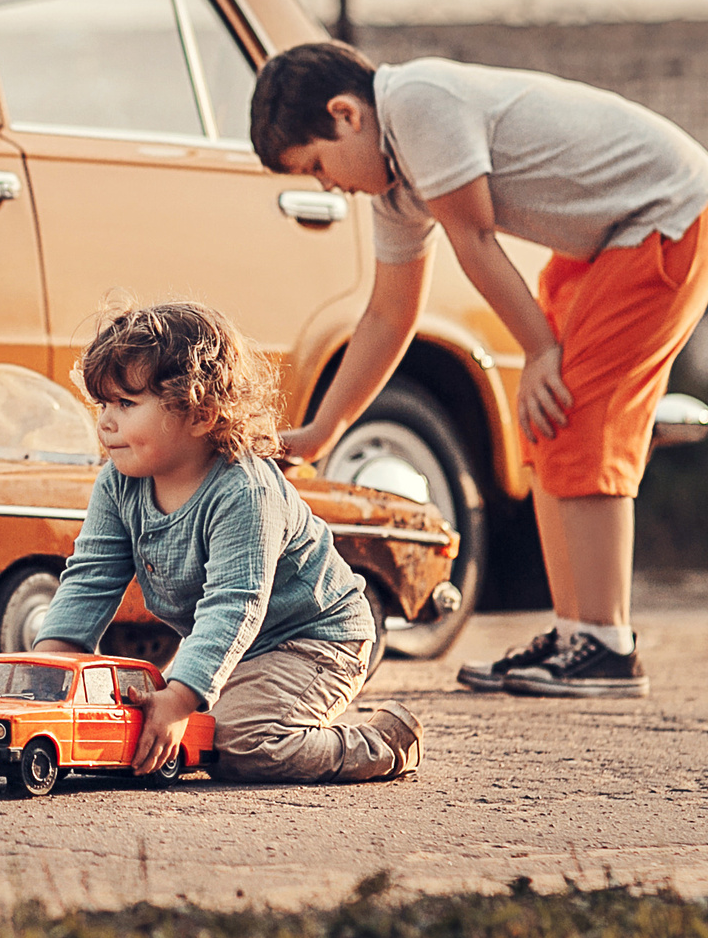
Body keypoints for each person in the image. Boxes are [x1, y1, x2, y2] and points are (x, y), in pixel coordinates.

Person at [250, 42, 708, 700]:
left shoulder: (417, 102)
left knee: (579, 413)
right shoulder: (394, 189)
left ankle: (607, 645)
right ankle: (574, 636)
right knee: (546, 424)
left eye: (317, 166)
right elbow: (389, 317)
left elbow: (475, 239)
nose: (327, 185)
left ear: (345, 115)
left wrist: (540, 351)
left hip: (670, 216)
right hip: (606, 240)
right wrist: (322, 430)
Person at [32, 302, 422, 783]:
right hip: (231, 646)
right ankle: (235, 699)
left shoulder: (243, 490)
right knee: (143, 720)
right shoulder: (119, 482)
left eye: (126, 405)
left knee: (237, 742)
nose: (106, 422)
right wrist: (44, 670)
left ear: (200, 414)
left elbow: (234, 604)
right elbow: (90, 579)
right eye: (104, 405)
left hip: (315, 640)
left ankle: (380, 743)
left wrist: (179, 699)